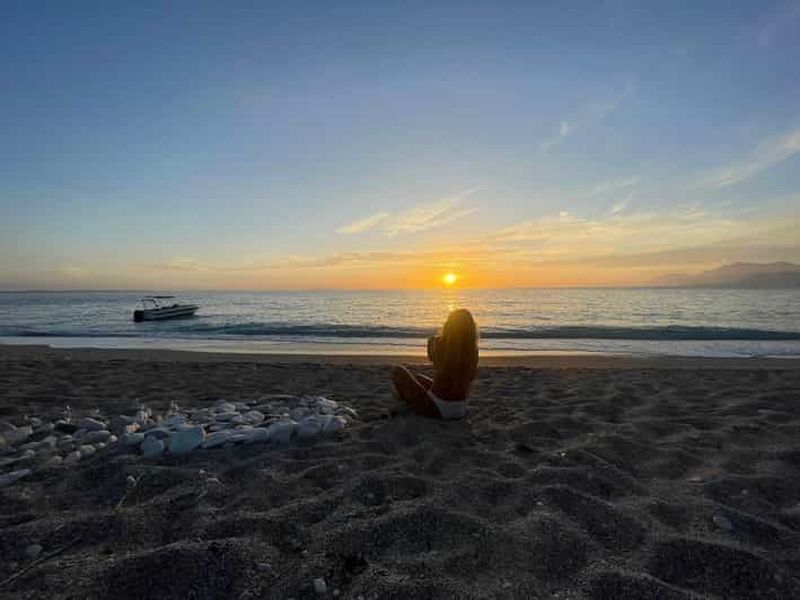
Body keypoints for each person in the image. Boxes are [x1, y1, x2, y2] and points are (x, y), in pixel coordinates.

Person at [392, 308, 478, 420]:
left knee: (398, 371)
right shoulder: (473, 350)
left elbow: (432, 360)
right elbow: (471, 377)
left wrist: (433, 342)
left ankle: (405, 404)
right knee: (419, 378)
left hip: (437, 409)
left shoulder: (437, 343)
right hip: (461, 409)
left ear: (449, 324)